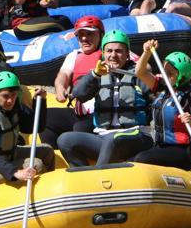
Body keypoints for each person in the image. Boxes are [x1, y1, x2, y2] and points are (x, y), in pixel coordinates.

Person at [57, 30, 155, 167]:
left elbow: (157, 92)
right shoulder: (98, 75)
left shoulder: (139, 75)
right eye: (109, 51)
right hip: (103, 136)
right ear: (103, 53)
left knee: (112, 139)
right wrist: (94, 75)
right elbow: (79, 95)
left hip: (135, 136)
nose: (113, 55)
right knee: (65, 140)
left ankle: (98, 177)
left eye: (119, 51)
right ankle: (82, 174)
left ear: (128, 54)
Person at [133, 41, 191, 170]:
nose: (165, 76)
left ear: (181, 77)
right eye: (164, 71)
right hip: (161, 146)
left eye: (170, 74)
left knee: (141, 159)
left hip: (182, 151)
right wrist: (146, 52)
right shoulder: (163, 87)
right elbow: (140, 72)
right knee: (134, 158)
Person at [39, 15, 105, 147]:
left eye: (89, 34)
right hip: (79, 112)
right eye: (81, 35)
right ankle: (55, 157)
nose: (84, 38)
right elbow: (63, 75)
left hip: (102, 114)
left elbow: (142, 67)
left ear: (101, 35)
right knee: (45, 117)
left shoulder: (110, 52)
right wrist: (60, 88)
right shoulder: (74, 55)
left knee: (80, 128)